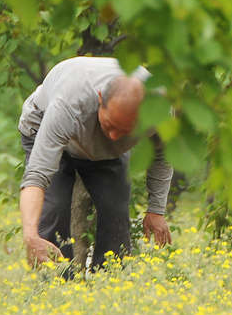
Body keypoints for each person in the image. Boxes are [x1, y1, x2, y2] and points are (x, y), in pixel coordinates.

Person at [18, 56, 173, 273]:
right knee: (54, 209)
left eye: (124, 131)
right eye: (110, 125)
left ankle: (109, 285)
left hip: (102, 150)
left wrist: (156, 210)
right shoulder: (68, 105)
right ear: (100, 99)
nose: (113, 136)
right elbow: (36, 177)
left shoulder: (160, 110)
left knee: (115, 210)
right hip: (47, 127)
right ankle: (55, 288)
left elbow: (163, 154)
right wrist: (30, 235)